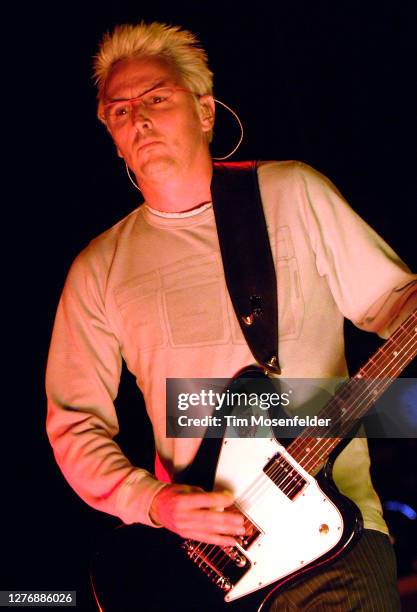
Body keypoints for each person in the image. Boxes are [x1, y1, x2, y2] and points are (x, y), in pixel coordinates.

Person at [46, 21, 416, 610]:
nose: (138, 118)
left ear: (206, 111)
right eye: (119, 112)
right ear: (112, 138)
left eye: (157, 98)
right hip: (201, 566)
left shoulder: (293, 193)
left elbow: (395, 304)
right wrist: (153, 502)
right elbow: (74, 426)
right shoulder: (97, 269)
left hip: (333, 534)